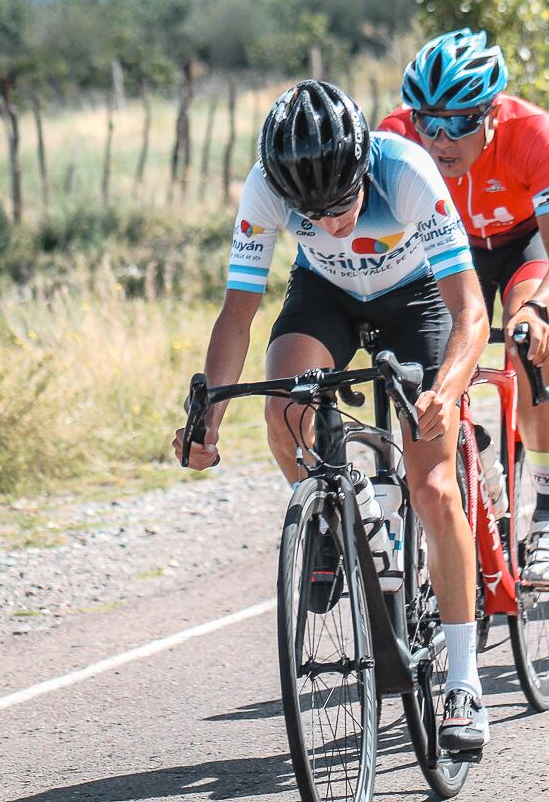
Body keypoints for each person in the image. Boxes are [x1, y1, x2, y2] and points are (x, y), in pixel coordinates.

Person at [173, 79, 493, 752]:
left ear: (360, 167)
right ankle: (331, 514)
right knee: (284, 406)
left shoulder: (404, 169)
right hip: (327, 294)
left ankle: (464, 683)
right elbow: (239, 313)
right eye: (308, 215)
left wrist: (448, 390)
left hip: (416, 302)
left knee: (433, 484)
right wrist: (208, 418)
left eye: (342, 203)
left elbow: (471, 311)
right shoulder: (266, 186)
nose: (329, 224)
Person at [379, 28, 549, 585]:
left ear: (493, 112)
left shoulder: (534, 133)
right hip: (449, 251)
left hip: (524, 245)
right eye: (429, 121)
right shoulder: (395, 138)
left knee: (525, 344)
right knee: (431, 358)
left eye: (460, 122)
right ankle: (483, 462)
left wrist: (541, 312)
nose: (441, 139)